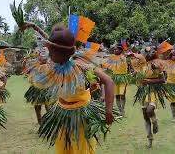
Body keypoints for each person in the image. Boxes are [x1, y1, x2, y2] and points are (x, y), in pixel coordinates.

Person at [23, 23, 118, 154]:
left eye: (52, 51)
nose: (49, 54)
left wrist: (108, 111)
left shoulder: (80, 64)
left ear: (63, 52)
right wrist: (34, 26)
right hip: (62, 113)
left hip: (81, 116)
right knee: (63, 149)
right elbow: (48, 38)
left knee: (81, 149)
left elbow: (109, 81)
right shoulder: (54, 64)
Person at [133, 48, 166, 148]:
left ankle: (155, 121)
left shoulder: (156, 65)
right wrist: (136, 76)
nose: (148, 55)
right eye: (146, 53)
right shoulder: (140, 66)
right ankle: (150, 139)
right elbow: (138, 79)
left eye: (150, 53)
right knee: (146, 117)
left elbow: (163, 80)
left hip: (153, 91)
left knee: (150, 110)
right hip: (142, 91)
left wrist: (149, 81)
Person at [23, 47, 55, 124]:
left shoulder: (50, 65)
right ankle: (40, 123)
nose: (42, 56)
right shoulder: (35, 64)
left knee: (48, 106)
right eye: (41, 53)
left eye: (45, 52)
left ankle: (49, 121)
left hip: (47, 89)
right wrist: (25, 62)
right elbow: (26, 70)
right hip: (36, 88)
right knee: (37, 107)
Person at [103, 44, 130, 116]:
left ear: (121, 50)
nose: (115, 50)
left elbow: (128, 64)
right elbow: (106, 64)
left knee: (122, 94)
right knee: (117, 95)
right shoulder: (111, 57)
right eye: (114, 49)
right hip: (115, 78)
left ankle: (123, 109)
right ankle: (120, 110)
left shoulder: (124, 57)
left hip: (123, 78)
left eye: (116, 49)